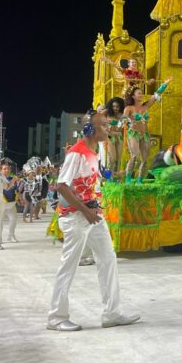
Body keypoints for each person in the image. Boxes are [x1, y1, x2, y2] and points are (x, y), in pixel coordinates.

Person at [48, 110, 140, 332]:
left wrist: (113, 175)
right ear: (89, 129)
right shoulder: (76, 153)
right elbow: (62, 186)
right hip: (76, 217)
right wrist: (85, 212)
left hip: (93, 215)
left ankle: (112, 313)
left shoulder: (95, 150)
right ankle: (56, 318)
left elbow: (93, 177)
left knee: (108, 259)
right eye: (104, 126)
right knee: (69, 265)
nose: (108, 129)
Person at [123, 78, 172, 183]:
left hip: (144, 134)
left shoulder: (145, 106)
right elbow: (123, 119)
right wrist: (129, 121)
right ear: (133, 96)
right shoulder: (129, 108)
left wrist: (165, 84)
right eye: (139, 93)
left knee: (145, 159)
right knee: (134, 155)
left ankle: (140, 180)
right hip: (133, 133)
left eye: (141, 93)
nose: (141, 95)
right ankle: (128, 178)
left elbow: (156, 95)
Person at [0, 161, 21, 243]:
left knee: (13, 220)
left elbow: (16, 190)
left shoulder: (13, 179)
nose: (7, 170)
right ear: (1, 170)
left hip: (12, 204)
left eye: (8, 169)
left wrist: (19, 199)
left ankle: (11, 236)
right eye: (4, 169)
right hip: (1, 204)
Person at [104, 96, 125, 177]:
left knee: (118, 159)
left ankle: (116, 177)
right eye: (113, 106)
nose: (115, 108)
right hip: (110, 137)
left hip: (119, 137)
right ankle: (109, 177)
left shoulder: (122, 115)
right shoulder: (107, 113)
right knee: (112, 158)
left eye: (117, 106)